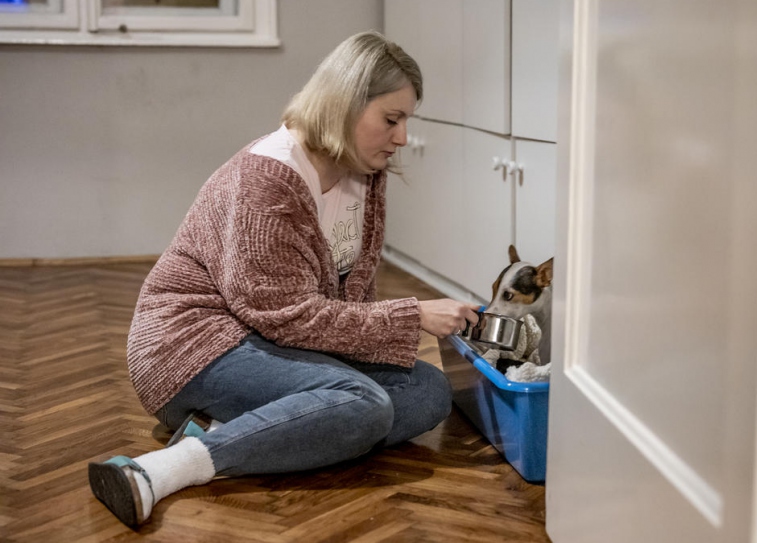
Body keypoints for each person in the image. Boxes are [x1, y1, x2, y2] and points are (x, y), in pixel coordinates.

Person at [87, 30, 480, 529]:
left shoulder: (364, 173)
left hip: (269, 340)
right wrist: (415, 314)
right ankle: (161, 471)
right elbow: (285, 315)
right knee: (365, 403)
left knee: (428, 391)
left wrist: (381, 337)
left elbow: (351, 297)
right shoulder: (267, 177)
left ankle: (231, 430)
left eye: (406, 121)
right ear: (344, 104)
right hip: (191, 346)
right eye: (391, 119)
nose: (402, 138)